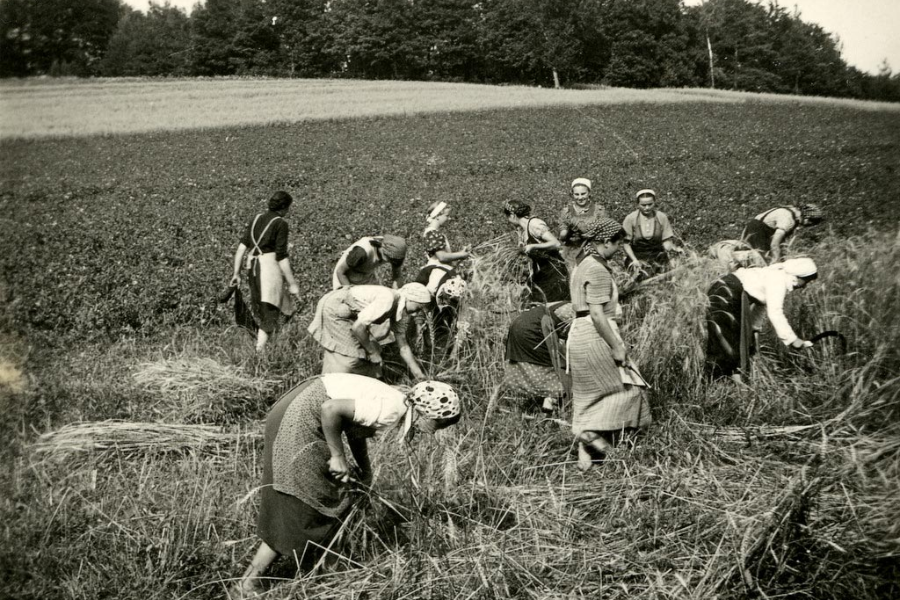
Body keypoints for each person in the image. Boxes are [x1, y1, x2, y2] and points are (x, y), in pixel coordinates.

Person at [230, 374, 461, 598]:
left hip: (297, 407)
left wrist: (365, 470)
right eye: (438, 423)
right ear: (424, 411)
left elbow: (355, 430)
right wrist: (338, 456)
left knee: (324, 497)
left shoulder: (398, 403)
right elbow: (331, 409)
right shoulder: (391, 409)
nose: (435, 431)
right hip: (299, 417)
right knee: (303, 503)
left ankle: (326, 568)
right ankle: (249, 583)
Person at [567, 217, 651, 471]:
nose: (618, 250)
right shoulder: (597, 269)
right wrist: (616, 346)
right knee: (632, 391)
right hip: (596, 336)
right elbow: (596, 313)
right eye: (617, 244)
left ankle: (585, 458)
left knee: (589, 397)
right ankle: (604, 447)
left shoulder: (582, 263)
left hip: (579, 335)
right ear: (605, 242)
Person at [706, 257, 819, 383]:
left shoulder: (776, 276)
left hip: (724, 289)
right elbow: (775, 312)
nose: (804, 286)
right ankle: (733, 383)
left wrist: (754, 329)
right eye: (806, 281)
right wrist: (792, 340)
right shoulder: (778, 279)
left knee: (729, 339)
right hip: (726, 292)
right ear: (798, 276)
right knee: (729, 339)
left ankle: (723, 380)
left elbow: (761, 305)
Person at [308, 283, 432, 380]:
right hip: (335, 307)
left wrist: (419, 374)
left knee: (373, 349)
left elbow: (403, 346)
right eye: (417, 308)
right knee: (351, 357)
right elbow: (358, 328)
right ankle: (334, 385)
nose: (416, 314)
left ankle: (373, 383)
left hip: (350, 313)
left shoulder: (403, 311)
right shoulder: (388, 299)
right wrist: (372, 353)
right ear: (410, 299)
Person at [230, 190, 301, 352]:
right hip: (269, 269)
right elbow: (281, 257)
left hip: (252, 268)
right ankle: (260, 351)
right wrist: (292, 283)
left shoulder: (256, 219)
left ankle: (270, 345)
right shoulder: (280, 223)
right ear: (284, 208)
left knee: (269, 309)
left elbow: (241, 249)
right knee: (272, 310)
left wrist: (236, 274)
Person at [503, 301, 574, 414]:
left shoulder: (566, 305)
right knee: (549, 364)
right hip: (534, 329)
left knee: (527, 362)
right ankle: (550, 401)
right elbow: (570, 342)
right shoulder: (574, 312)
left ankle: (531, 403)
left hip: (518, 325)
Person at [503, 200, 569, 303]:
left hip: (554, 271)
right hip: (541, 272)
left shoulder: (534, 224)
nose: (508, 221)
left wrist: (533, 246)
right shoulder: (522, 230)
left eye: (508, 217)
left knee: (550, 304)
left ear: (512, 215)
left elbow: (556, 243)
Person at [411, 266, 467, 368]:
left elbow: (462, 328)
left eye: (454, 301)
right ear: (444, 293)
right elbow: (420, 314)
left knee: (447, 328)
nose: (449, 302)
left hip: (442, 297)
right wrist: (419, 337)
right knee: (418, 329)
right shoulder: (430, 289)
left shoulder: (462, 299)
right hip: (426, 285)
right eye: (449, 300)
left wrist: (454, 354)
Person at [621, 189, 684, 279]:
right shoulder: (631, 219)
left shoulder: (661, 217)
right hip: (637, 259)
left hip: (658, 259)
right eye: (643, 205)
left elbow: (666, 240)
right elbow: (626, 244)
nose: (647, 208)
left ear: (654, 202)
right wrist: (634, 260)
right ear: (637, 204)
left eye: (650, 204)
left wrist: (673, 250)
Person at [740, 204, 824, 263]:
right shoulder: (788, 219)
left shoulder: (791, 210)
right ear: (807, 218)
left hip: (755, 227)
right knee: (761, 260)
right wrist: (776, 260)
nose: (809, 225)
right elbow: (775, 243)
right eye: (811, 223)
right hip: (758, 232)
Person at [558, 178, 607, 272]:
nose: (580, 198)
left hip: (594, 249)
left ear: (589, 193)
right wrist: (565, 232)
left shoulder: (598, 210)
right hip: (573, 250)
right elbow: (562, 235)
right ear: (572, 194)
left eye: (583, 194)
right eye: (576, 194)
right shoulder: (567, 211)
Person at [332, 235, 407, 290]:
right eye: (391, 260)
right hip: (345, 275)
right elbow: (340, 272)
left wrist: (397, 294)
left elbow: (397, 276)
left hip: (366, 274)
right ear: (385, 253)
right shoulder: (362, 251)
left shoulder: (396, 252)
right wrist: (349, 292)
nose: (393, 262)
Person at [422, 201, 470, 267]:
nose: (449, 218)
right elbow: (442, 257)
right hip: (438, 270)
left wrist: (461, 254)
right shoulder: (432, 233)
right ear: (437, 216)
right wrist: (461, 255)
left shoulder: (433, 232)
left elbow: (446, 261)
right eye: (447, 216)